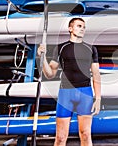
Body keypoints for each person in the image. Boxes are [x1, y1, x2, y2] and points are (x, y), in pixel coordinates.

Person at [37, 17, 101, 146]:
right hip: (65, 93)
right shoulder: (61, 48)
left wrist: (98, 98)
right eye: (79, 26)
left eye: (83, 27)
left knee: (85, 134)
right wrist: (42, 59)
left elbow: (96, 75)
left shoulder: (91, 49)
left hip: (85, 93)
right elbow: (50, 74)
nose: (82, 29)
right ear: (70, 29)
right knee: (60, 137)